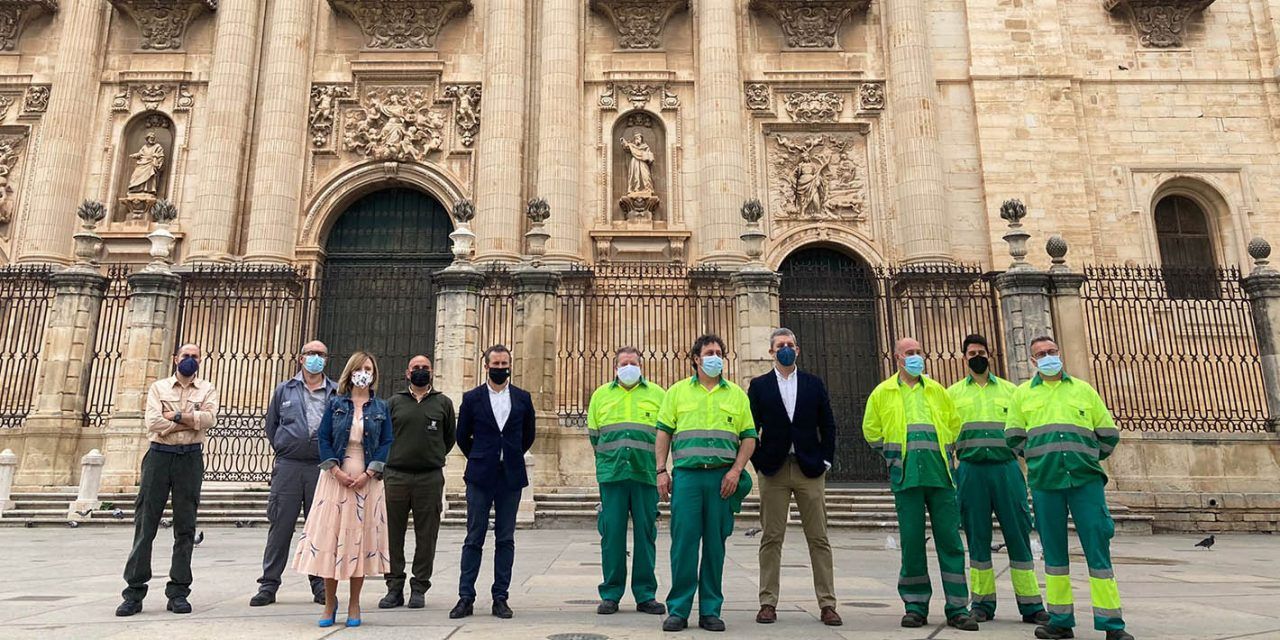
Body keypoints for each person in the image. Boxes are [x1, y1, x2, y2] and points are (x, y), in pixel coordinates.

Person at [1006, 337, 1133, 640]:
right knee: (1054, 553)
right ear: (1032, 361)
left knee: (1098, 550)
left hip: (1085, 480)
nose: (1047, 357)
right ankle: (1061, 620)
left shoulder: (1084, 390)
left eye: (1051, 352)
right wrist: (1040, 458)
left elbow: (1108, 435)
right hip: (1045, 481)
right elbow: (1013, 437)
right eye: (1041, 354)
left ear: (1059, 354)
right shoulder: (1022, 395)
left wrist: (1086, 457)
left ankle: (1113, 625)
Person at [863, 337, 979, 632]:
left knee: (951, 542)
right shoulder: (882, 393)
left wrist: (946, 452)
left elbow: (954, 425)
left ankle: (957, 607)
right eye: (909, 353)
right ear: (897, 357)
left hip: (940, 474)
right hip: (906, 476)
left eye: (918, 352)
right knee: (912, 542)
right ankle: (915, 606)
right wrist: (892, 456)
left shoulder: (938, 391)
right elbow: (871, 430)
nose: (915, 357)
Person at [656, 334, 756, 633]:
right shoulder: (676, 393)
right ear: (696, 359)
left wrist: (736, 471)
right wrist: (661, 470)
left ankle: (711, 610)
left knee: (715, 545)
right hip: (686, 478)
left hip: (722, 479)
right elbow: (663, 433)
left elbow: (749, 436)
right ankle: (678, 609)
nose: (716, 357)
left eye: (719, 352)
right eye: (710, 352)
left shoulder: (736, 394)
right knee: (684, 545)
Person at [946, 334, 1048, 625]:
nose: (977, 356)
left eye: (981, 351)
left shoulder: (1011, 391)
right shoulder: (952, 394)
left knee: (1018, 534)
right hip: (970, 469)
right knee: (977, 538)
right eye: (971, 353)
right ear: (964, 358)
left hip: (1006, 468)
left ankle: (1031, 605)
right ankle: (981, 603)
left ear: (989, 355)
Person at [116, 344, 220, 617]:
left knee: (185, 527)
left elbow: (209, 419)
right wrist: (189, 420)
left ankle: (178, 592)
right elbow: (152, 423)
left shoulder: (207, 388)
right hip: (159, 457)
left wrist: (172, 416)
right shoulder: (158, 387)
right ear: (175, 359)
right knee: (145, 524)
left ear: (200, 360)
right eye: (185, 356)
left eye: (195, 356)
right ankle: (134, 592)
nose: (189, 360)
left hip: (190, 458)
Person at [293, 351, 393, 628]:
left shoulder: (380, 407)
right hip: (336, 477)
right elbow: (324, 437)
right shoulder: (336, 403)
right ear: (350, 372)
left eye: (369, 368)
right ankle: (329, 603)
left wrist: (370, 471)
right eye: (360, 368)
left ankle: (355, 602)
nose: (364, 372)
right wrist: (334, 470)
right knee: (332, 541)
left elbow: (386, 442)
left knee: (359, 542)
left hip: (367, 479)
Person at [748, 328, 841, 627]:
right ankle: (767, 602)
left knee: (819, 537)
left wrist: (825, 460)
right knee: (771, 537)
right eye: (780, 346)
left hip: (808, 468)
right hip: (774, 469)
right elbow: (750, 429)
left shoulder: (814, 384)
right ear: (771, 352)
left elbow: (828, 425)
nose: (785, 349)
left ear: (797, 350)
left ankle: (827, 604)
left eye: (790, 345)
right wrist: (759, 462)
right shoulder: (759, 386)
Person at [450, 344, 537, 620]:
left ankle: (501, 597)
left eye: (504, 364)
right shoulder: (472, 398)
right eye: (496, 364)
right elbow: (462, 435)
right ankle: (466, 597)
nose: (501, 368)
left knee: (506, 538)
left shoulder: (522, 398)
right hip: (480, 475)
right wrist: (481, 456)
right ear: (485, 366)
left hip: (510, 475)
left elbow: (529, 435)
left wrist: (509, 454)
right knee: (474, 536)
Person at [250, 340, 338, 607]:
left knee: (319, 529)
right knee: (280, 525)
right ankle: (268, 584)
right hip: (288, 465)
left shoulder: (335, 392)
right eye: (311, 354)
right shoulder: (284, 389)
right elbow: (271, 424)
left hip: (322, 467)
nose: (316, 358)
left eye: (321, 354)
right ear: (301, 359)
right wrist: (286, 445)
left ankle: (320, 584)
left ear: (327, 359)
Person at [586, 347, 667, 617]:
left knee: (646, 535)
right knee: (611, 536)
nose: (629, 367)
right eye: (624, 363)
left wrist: (661, 469)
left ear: (641, 366)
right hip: (613, 475)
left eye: (633, 363)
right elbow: (595, 436)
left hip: (645, 474)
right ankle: (610, 593)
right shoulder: (600, 395)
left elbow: (666, 434)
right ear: (615, 368)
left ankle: (646, 595)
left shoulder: (658, 395)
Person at [379, 355, 456, 610]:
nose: (421, 371)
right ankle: (394, 587)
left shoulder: (443, 403)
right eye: (416, 368)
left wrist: (431, 456)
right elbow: (383, 436)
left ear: (432, 372)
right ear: (407, 373)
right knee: (392, 534)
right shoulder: (393, 403)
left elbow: (449, 439)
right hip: (396, 476)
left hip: (429, 477)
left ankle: (419, 587)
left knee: (427, 535)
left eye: (425, 368)